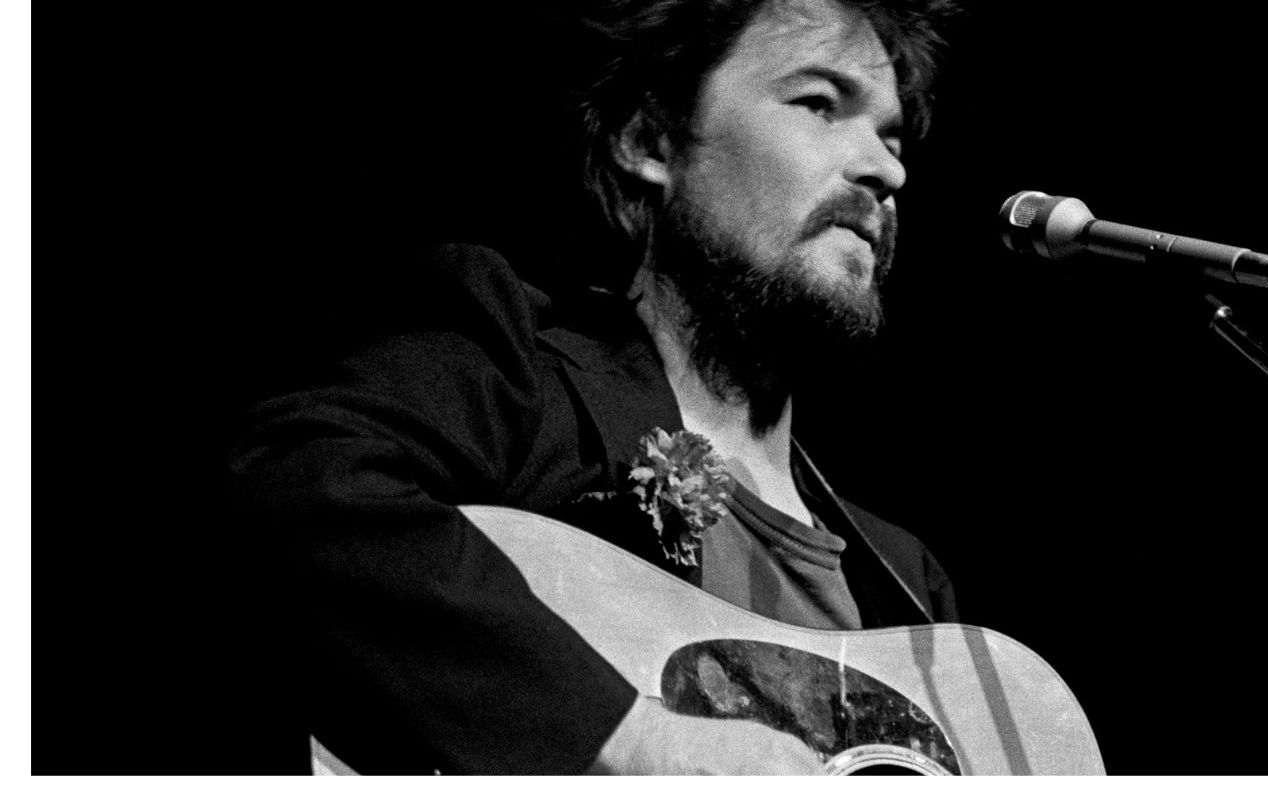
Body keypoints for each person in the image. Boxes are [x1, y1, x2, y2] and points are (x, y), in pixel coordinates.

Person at [228, 0, 959, 775]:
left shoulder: (908, 584)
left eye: (891, 137)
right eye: (818, 104)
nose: (887, 170)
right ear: (648, 140)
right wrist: (635, 742)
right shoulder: (519, 374)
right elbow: (299, 482)